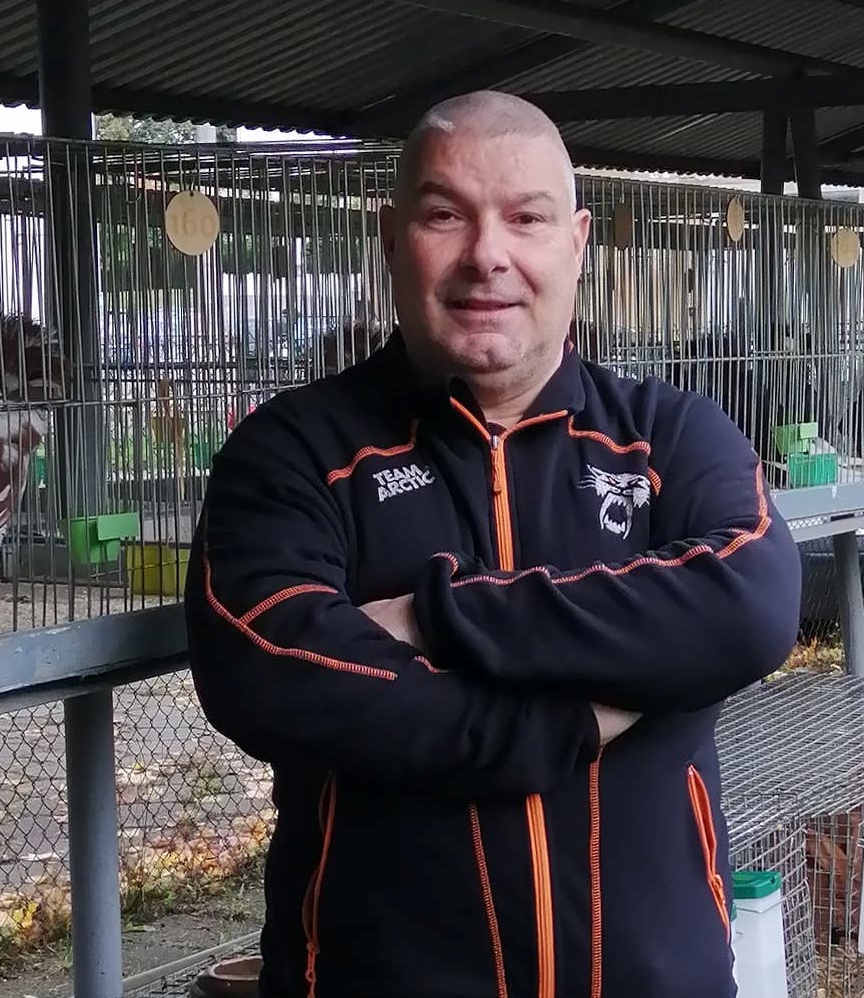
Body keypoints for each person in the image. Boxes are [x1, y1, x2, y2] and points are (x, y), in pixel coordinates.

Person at [185, 90, 801, 998]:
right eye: (446, 215)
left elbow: (748, 603)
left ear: (577, 244)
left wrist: (433, 614)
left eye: (526, 217)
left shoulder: (668, 438)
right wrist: (569, 721)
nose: (487, 254)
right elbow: (271, 666)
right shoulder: (297, 452)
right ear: (391, 237)